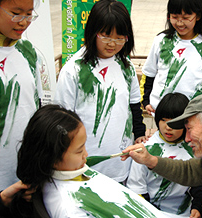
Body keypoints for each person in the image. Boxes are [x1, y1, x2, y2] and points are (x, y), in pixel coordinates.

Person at [16, 104, 189, 218]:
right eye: (79, 150)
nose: (86, 154)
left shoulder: (74, 170)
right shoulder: (70, 209)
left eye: (84, 146)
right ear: (51, 158)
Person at [54, 0, 146, 183]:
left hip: (121, 161)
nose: (112, 44)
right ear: (92, 32)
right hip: (87, 163)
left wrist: (139, 133)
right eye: (106, 36)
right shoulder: (74, 70)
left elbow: (134, 104)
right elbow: (61, 119)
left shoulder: (125, 67)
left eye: (120, 38)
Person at [0, 0, 42, 197]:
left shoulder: (29, 51)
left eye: (29, 14)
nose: (23, 22)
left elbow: (36, 107)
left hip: (25, 179)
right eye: (16, 13)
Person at [127, 93, 202, 218]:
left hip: (184, 213)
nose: (168, 127)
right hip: (150, 213)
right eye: (163, 120)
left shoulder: (195, 149)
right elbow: (136, 189)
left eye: (174, 122)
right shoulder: (146, 148)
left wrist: (198, 207)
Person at [140, 0, 202, 115]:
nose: (180, 23)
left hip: (196, 114)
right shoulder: (161, 41)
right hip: (163, 114)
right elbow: (149, 73)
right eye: (175, 17)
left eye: (186, 18)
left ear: (198, 16)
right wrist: (145, 101)